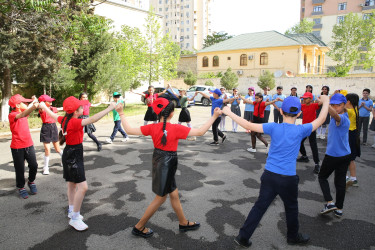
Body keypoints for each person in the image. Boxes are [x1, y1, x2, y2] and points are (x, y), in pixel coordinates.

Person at [223, 95, 329, 247]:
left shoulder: (274, 127)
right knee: (291, 207)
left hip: (270, 176)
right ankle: (292, 236)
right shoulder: (302, 129)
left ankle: (243, 237)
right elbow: (321, 118)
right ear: (299, 114)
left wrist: (228, 112)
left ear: (280, 111)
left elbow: (248, 124)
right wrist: (325, 102)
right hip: (288, 178)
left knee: (259, 207)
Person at [115, 98, 222, 238]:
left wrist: (121, 113)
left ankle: (183, 222)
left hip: (158, 159)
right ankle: (139, 227)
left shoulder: (152, 127)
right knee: (161, 198)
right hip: (168, 162)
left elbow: (128, 130)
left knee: (174, 193)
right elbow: (200, 132)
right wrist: (214, 116)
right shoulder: (176, 128)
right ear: (172, 113)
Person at [39, 97, 116, 231]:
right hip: (73, 155)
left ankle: (71, 210)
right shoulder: (75, 122)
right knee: (83, 187)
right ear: (75, 111)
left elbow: (52, 114)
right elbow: (93, 119)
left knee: (72, 184)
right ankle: (74, 218)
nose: (83, 108)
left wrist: (44, 107)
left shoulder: (64, 119)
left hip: (70, 152)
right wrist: (110, 108)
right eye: (81, 107)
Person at [318, 93, 351, 218]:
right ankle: (339, 209)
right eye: (333, 104)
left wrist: (326, 102)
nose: (335, 107)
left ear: (344, 105)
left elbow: (336, 115)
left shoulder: (342, 118)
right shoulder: (344, 115)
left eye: (339, 105)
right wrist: (326, 100)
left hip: (334, 155)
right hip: (345, 154)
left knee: (322, 177)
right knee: (340, 182)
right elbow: (334, 113)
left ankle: (330, 203)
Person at [8, 94, 39, 199]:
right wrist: (33, 106)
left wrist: (34, 101)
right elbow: (22, 114)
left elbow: (27, 109)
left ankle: (31, 181)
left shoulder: (24, 112)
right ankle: (21, 187)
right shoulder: (13, 115)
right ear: (17, 105)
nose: (27, 104)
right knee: (20, 169)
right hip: (17, 147)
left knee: (34, 165)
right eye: (24, 102)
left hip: (28, 144)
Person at [297, 92, 322, 174]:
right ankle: (304, 156)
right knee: (299, 141)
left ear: (311, 99)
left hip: (311, 128)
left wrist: (318, 98)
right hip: (304, 128)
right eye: (303, 98)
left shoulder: (314, 105)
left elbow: (322, 102)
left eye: (306, 98)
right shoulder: (302, 106)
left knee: (313, 145)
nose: (304, 99)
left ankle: (317, 164)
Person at [38, 94, 62, 175]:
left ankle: (64, 159)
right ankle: (46, 167)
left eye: (50, 100)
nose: (50, 101)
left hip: (53, 127)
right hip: (46, 128)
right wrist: (36, 101)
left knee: (57, 149)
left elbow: (60, 109)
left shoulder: (53, 108)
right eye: (48, 100)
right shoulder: (41, 109)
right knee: (47, 149)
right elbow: (39, 106)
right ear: (43, 102)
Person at [345, 93, 361, 188]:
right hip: (353, 134)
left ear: (348, 101)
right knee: (351, 159)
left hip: (348, 135)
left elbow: (336, 109)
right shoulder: (355, 110)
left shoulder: (348, 111)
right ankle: (353, 178)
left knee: (345, 157)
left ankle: (345, 177)